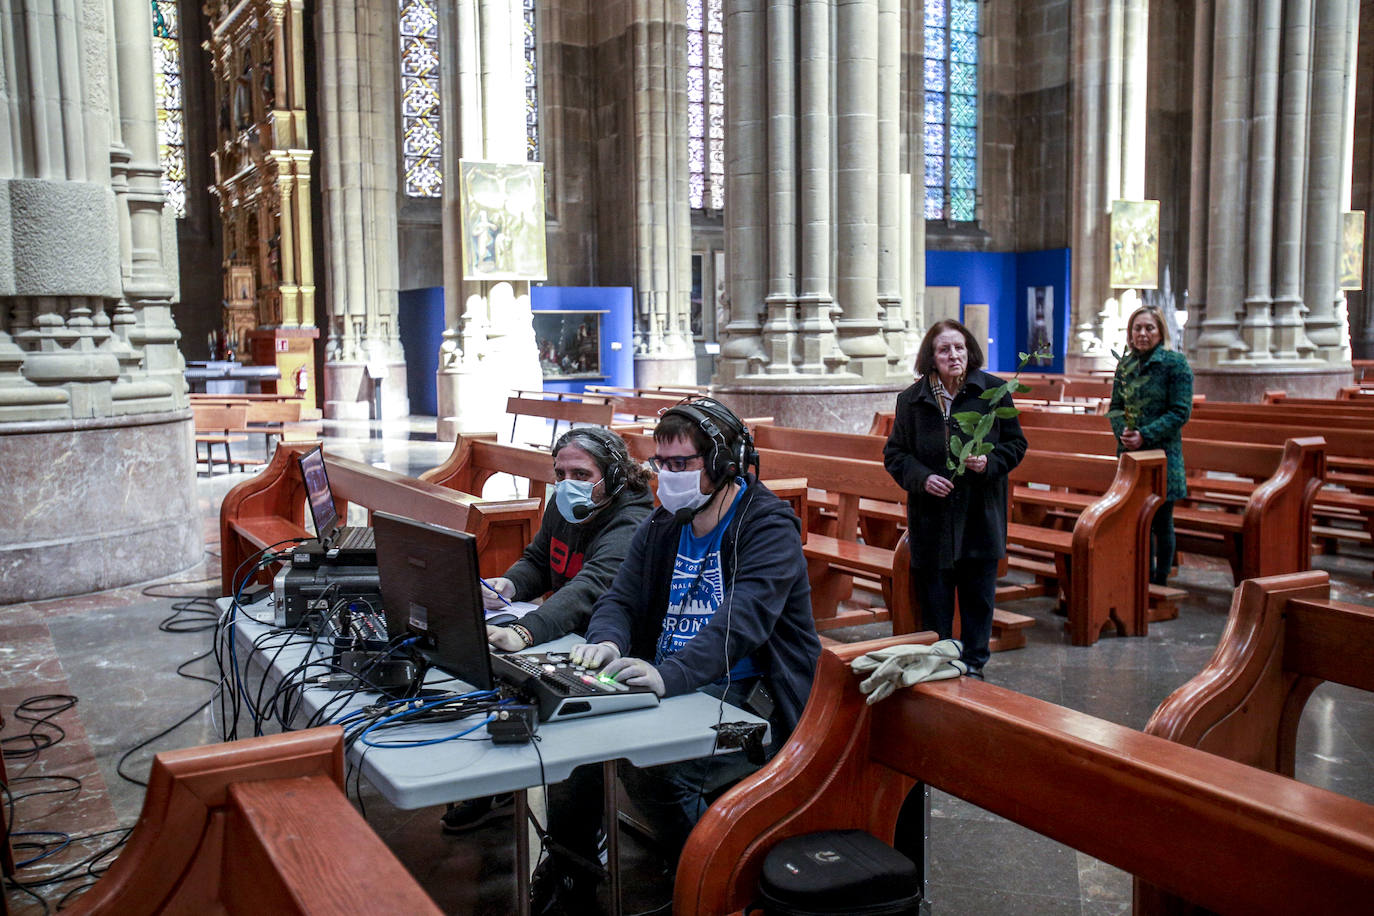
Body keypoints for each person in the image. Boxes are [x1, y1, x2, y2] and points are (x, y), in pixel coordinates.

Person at [531, 397, 821, 914]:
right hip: (676, 680)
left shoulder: (767, 525)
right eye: (660, 465)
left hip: (754, 702)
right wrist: (609, 640)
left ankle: (708, 879)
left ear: (725, 464)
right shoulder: (666, 520)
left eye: (681, 464)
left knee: (657, 767)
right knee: (575, 735)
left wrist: (669, 676)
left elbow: (740, 624)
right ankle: (574, 868)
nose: (667, 476)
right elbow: (619, 597)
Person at [440, 427, 653, 834]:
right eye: (560, 474)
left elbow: (590, 587)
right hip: (565, 634)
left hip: (607, 646)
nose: (567, 484)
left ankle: (575, 851)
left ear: (614, 475)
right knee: (490, 684)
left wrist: (524, 632)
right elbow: (540, 559)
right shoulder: (565, 504)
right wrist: (512, 585)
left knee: (568, 733)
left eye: (582, 475)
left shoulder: (632, 520)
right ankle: (496, 788)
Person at [882, 319, 1027, 679]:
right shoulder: (911, 400)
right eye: (944, 349)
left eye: (959, 348)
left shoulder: (992, 392)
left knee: (978, 598)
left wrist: (989, 462)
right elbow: (895, 454)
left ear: (970, 351)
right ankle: (940, 662)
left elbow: (1016, 444)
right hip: (933, 515)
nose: (954, 355)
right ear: (931, 357)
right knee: (936, 599)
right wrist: (922, 478)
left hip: (980, 512)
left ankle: (975, 664)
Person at [1108, 304, 1193, 585]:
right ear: (1130, 333)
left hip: (1162, 454)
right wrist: (1124, 433)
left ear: (1160, 332)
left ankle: (1159, 580)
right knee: (1133, 518)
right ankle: (1137, 575)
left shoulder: (1175, 363)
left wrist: (1145, 434)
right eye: (1137, 328)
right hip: (1130, 454)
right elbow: (1116, 407)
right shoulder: (1126, 364)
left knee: (1160, 519)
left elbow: (1180, 411)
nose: (1142, 333)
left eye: (1149, 328)